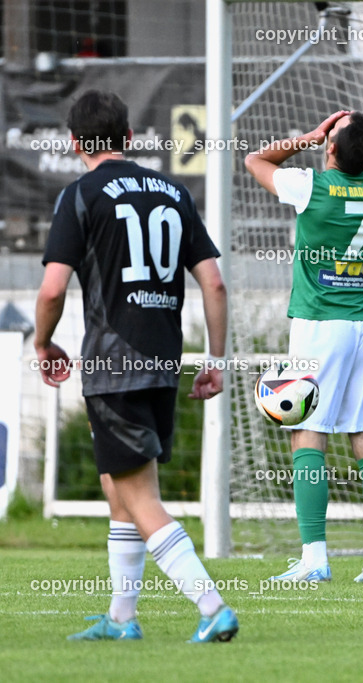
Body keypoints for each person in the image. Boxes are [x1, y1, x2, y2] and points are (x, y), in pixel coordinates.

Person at [35, 90, 238, 642]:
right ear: (129, 138)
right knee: (118, 488)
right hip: (163, 360)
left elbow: (53, 289)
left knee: (139, 497)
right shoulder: (175, 191)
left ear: (76, 144)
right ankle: (122, 619)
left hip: (114, 363)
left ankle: (211, 605)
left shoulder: (79, 195)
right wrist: (215, 359)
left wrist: (43, 343)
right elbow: (214, 282)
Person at [244, 110, 363, 583]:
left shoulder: (314, 188)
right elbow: (358, 162)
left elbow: (254, 160)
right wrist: (336, 141)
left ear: (329, 148)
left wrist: (306, 137)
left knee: (307, 434)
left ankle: (314, 558)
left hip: (320, 324)